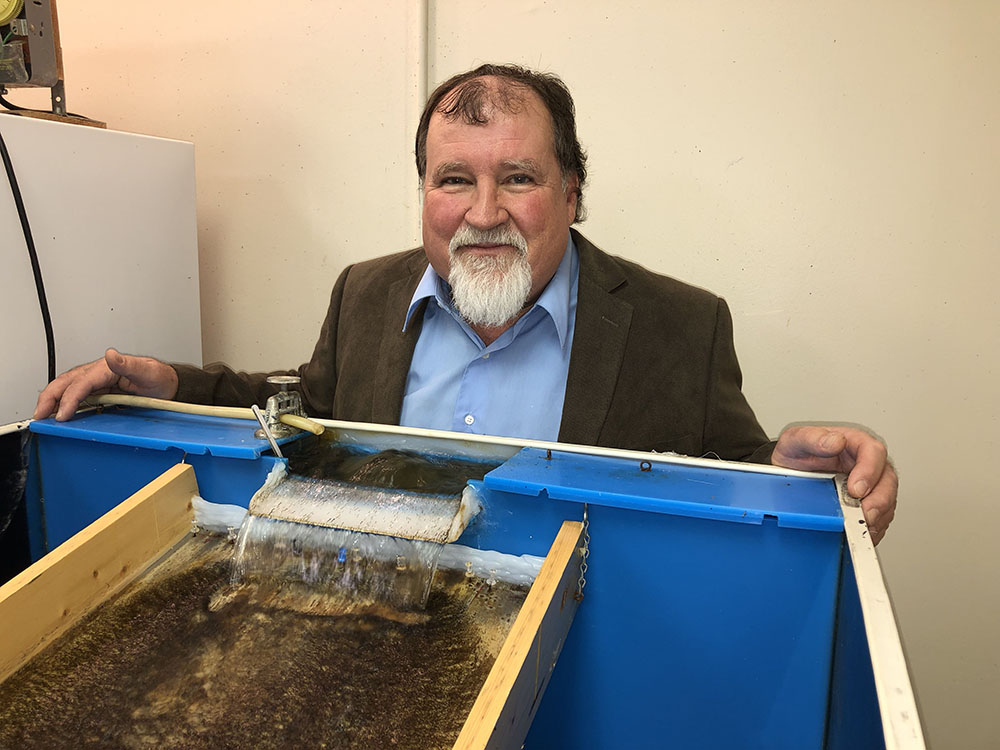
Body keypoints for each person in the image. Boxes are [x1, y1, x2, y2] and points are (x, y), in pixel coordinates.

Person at [33, 64, 897, 544]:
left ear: (572, 193)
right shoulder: (365, 291)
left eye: (518, 177)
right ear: (424, 192)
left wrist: (797, 480)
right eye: (455, 180)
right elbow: (304, 411)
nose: (484, 213)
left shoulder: (683, 326)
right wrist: (164, 381)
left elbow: (732, 492)